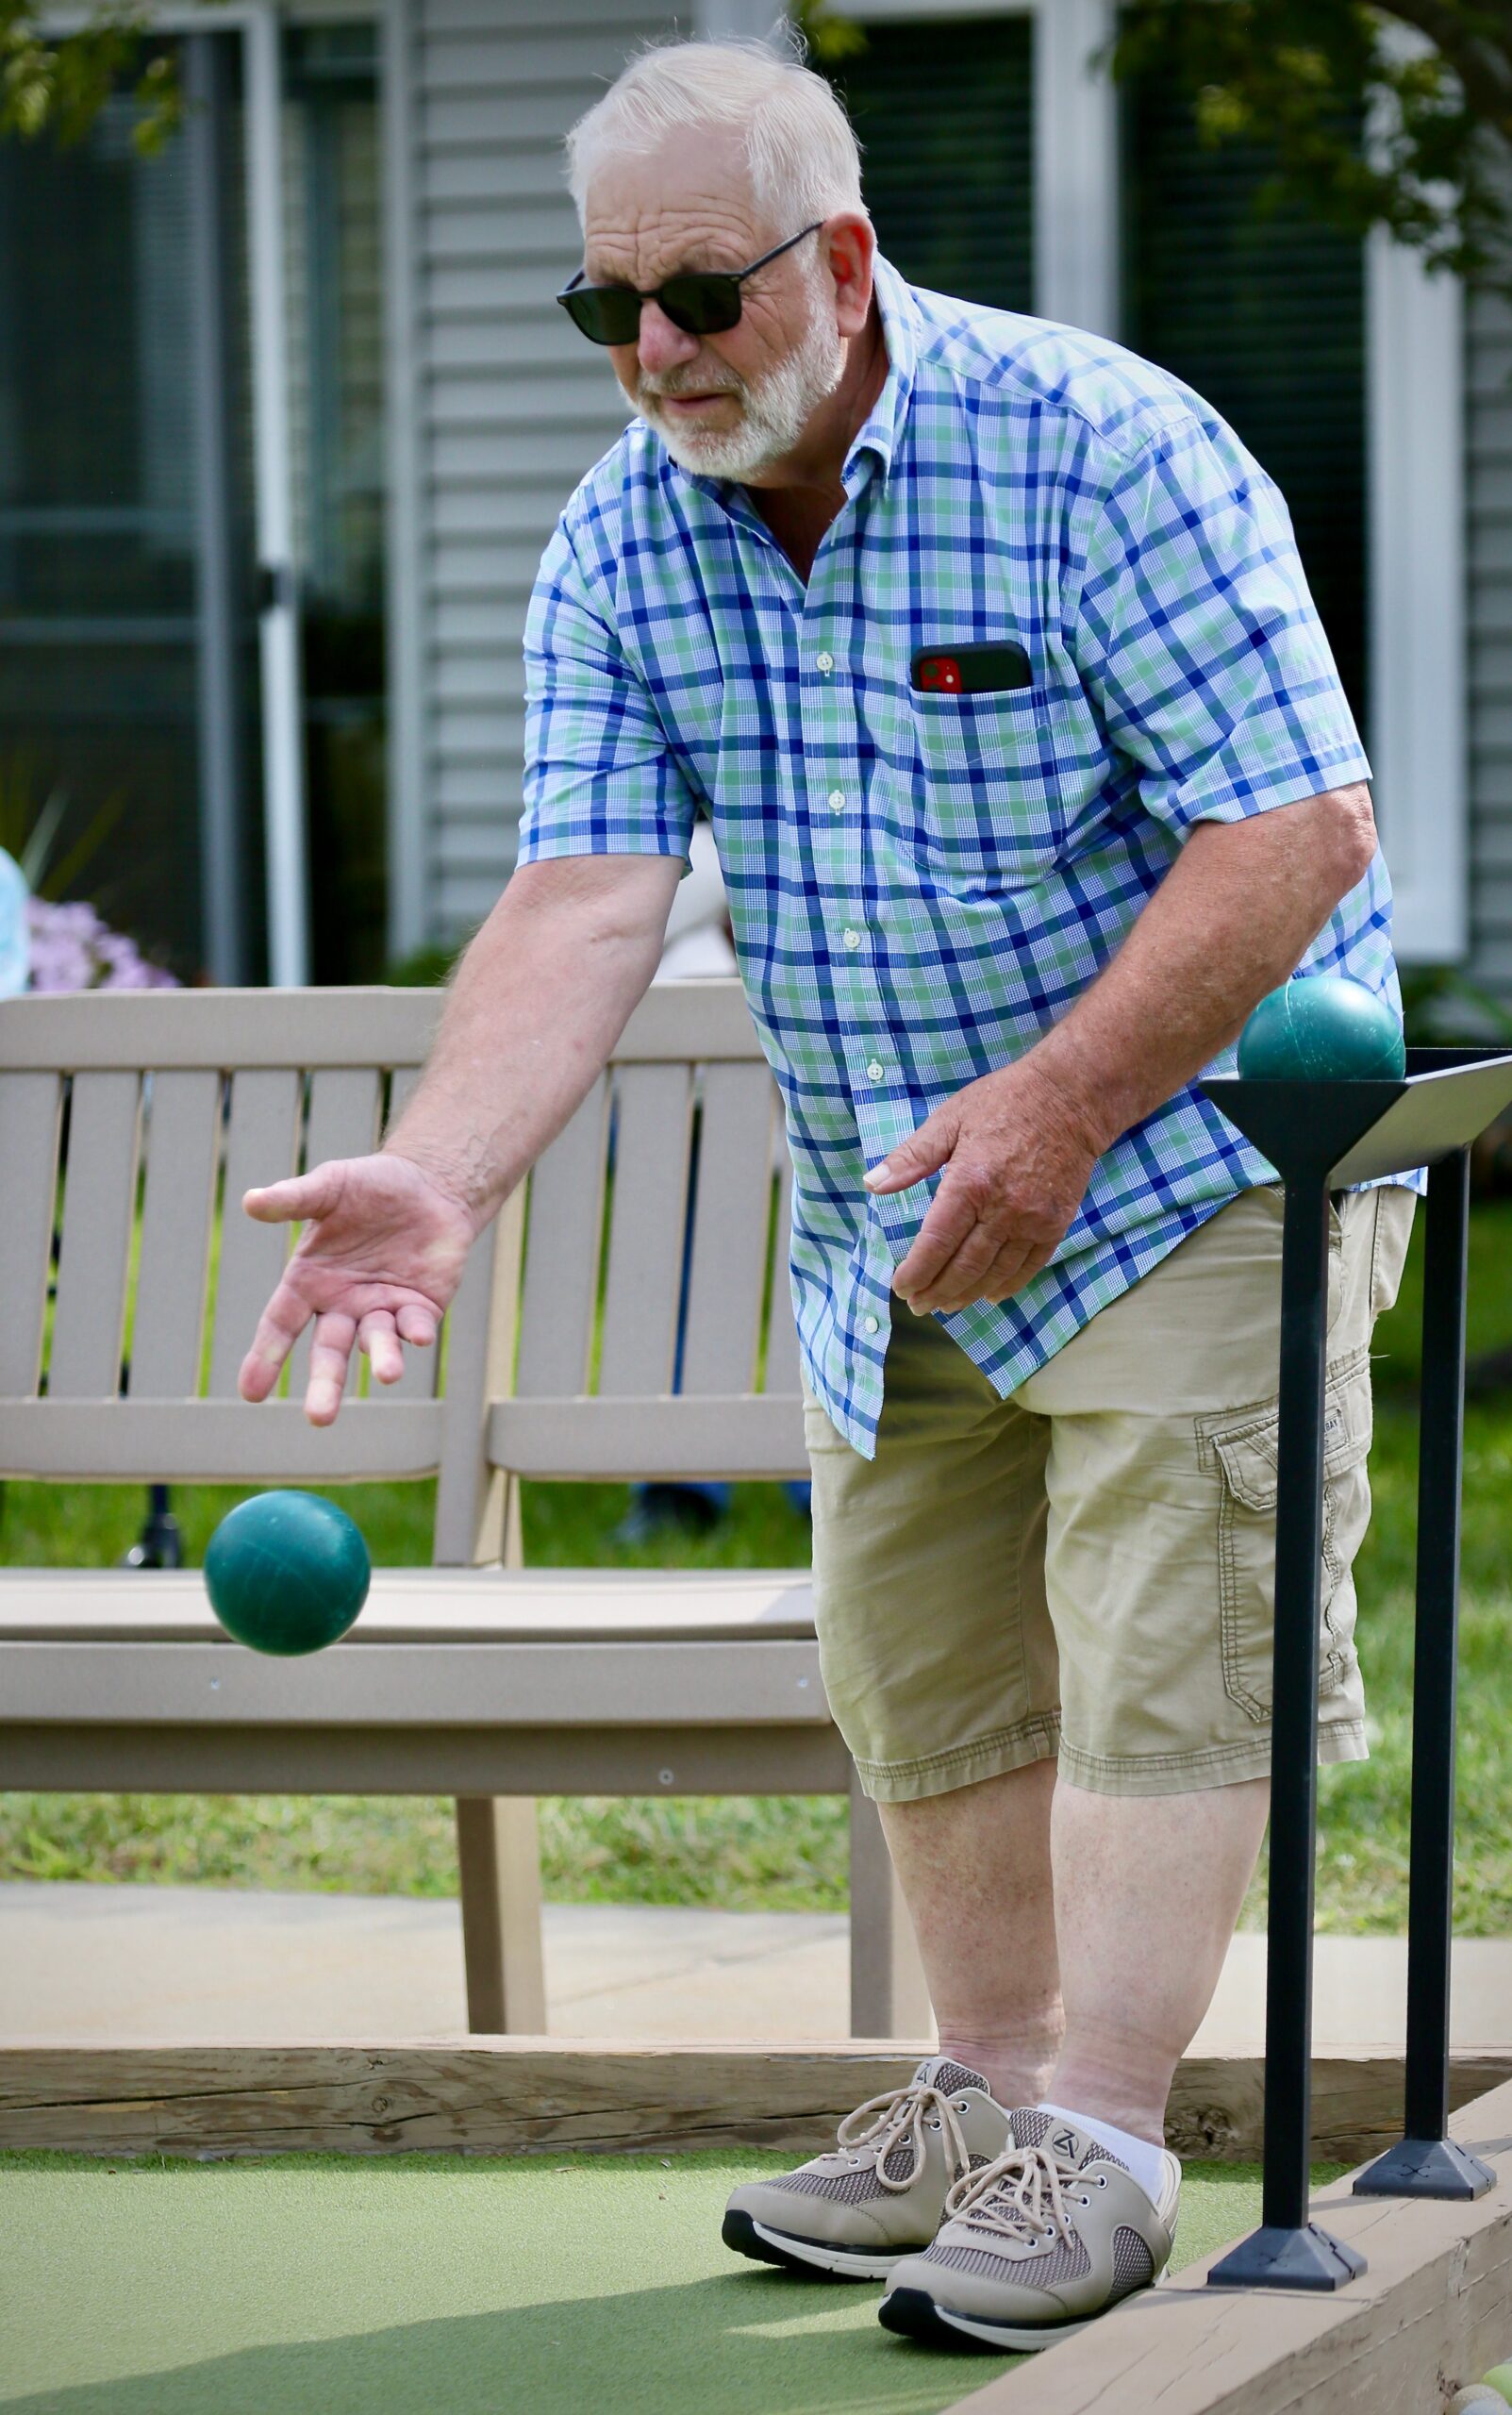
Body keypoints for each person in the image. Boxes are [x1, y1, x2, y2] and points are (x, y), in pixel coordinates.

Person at [238, 37, 1416, 2355]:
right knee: (919, 1654)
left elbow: (1297, 826)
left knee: (1171, 1617)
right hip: (888, 1184)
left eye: (699, 294)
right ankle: (980, 2095)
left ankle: (1098, 2131)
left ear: (844, 260)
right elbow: (585, 894)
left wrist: (1064, 1100)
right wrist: (443, 1170)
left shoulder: (1100, 451)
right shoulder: (621, 534)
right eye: (608, 311)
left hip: (1183, 1145)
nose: (655, 353)